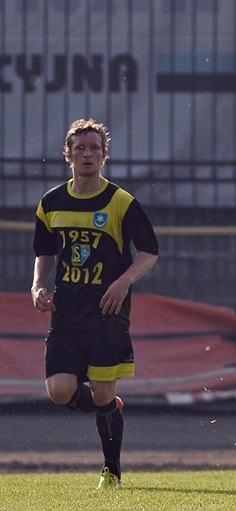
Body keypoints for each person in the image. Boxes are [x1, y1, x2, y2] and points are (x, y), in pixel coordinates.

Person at [31, 118, 159, 489]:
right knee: (59, 391)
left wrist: (123, 281)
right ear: (68, 155)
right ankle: (110, 409)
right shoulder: (51, 202)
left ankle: (111, 472)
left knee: (102, 390)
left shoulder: (121, 202)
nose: (87, 154)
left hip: (107, 311)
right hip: (66, 312)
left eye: (94, 148)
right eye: (80, 148)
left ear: (105, 156)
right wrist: (37, 286)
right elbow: (44, 251)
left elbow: (149, 251)